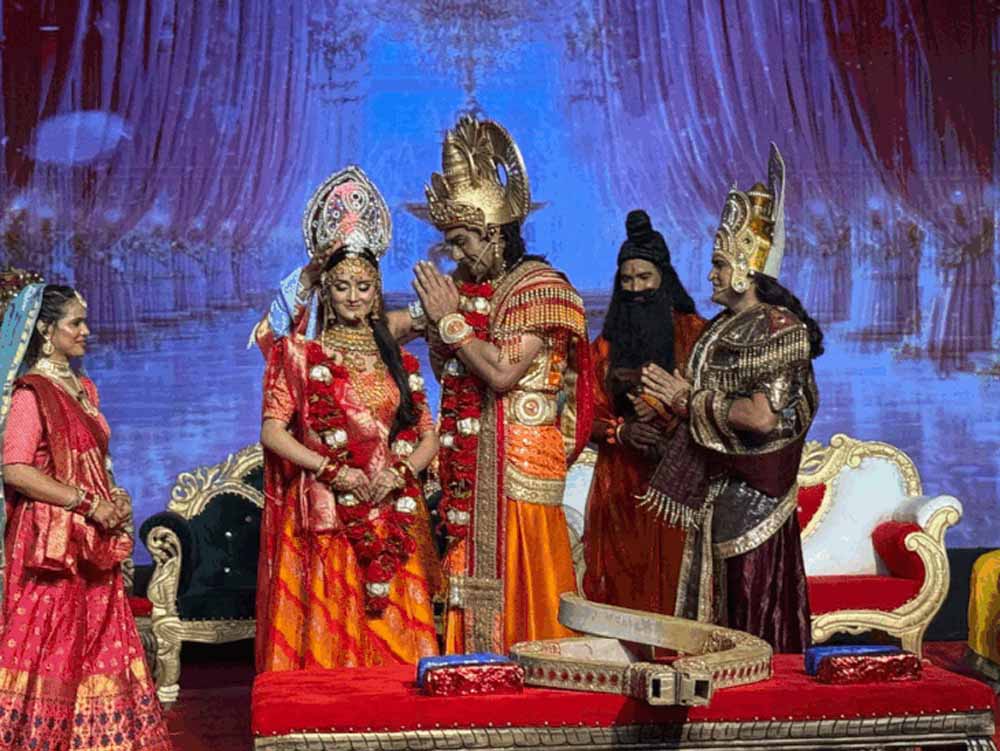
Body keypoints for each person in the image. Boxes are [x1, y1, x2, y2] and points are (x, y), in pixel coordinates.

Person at [410, 115, 594, 654]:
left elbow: (500, 372)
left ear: (493, 231)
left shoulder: (540, 288)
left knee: (526, 574)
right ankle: (476, 670)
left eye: (461, 241)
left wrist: (448, 322)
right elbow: (453, 363)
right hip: (475, 463)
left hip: (519, 463)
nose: (455, 255)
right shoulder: (477, 291)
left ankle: (535, 679)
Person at [255, 167, 440, 671]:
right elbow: (272, 431)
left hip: (390, 502)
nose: (353, 296)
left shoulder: (399, 360)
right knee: (332, 628)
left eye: (363, 286)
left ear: (377, 291)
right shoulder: (301, 355)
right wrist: (332, 470)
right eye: (341, 287)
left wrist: (400, 474)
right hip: (328, 506)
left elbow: (428, 435)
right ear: (326, 292)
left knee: (394, 629)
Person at [638, 145, 821, 652]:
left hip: (755, 502)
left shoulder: (779, 329)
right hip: (717, 494)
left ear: (745, 267)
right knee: (714, 615)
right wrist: (669, 403)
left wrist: (688, 400)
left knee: (750, 615)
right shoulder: (723, 326)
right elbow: (706, 398)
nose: (711, 275)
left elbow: (762, 419)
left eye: (719, 264)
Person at [0, 272, 172, 750]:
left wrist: (115, 497)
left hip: (94, 540)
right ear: (45, 330)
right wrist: (87, 502)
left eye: (85, 322)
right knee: (49, 643)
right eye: (75, 323)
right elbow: (15, 469)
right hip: (51, 545)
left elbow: (95, 462)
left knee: (98, 639)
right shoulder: (30, 394)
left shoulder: (84, 388)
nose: (86, 332)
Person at [582, 209, 706, 614]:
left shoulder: (697, 335)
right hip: (620, 483)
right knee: (623, 583)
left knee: (680, 583)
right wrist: (622, 431)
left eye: (644, 277)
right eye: (627, 279)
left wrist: (673, 418)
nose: (636, 288)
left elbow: (716, 404)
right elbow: (582, 417)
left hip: (681, 477)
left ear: (663, 278)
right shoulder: (603, 348)